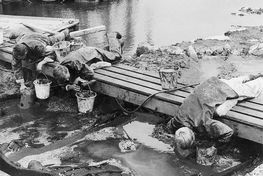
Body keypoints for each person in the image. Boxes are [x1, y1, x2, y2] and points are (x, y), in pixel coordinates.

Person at [48, 32, 123, 92]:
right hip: (83, 56)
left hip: (91, 54)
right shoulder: (60, 70)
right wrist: (70, 87)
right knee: (107, 54)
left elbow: (90, 72)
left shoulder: (75, 63)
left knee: (116, 57)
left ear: (67, 70)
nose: (67, 80)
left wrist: (80, 80)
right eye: (66, 79)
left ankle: (112, 36)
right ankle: (106, 49)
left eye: (67, 78)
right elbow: (62, 84)